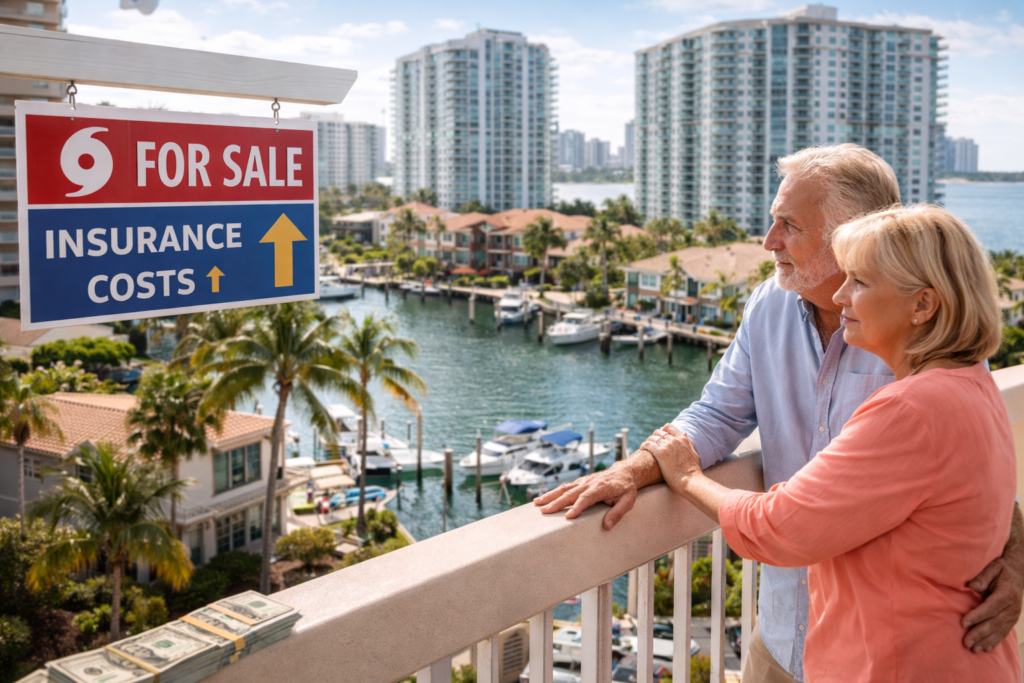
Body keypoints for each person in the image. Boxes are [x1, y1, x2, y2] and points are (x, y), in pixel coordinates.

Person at [534, 144, 1024, 682]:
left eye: (789, 225)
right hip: (783, 634)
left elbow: (966, 463)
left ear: (851, 233)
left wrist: (1017, 551)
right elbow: (717, 414)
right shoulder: (769, 305)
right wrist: (635, 469)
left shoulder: (923, 351)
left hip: (884, 652)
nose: (769, 241)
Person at [641, 205, 1021, 681]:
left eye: (859, 282)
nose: (841, 295)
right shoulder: (972, 386)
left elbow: (779, 527)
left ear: (923, 305)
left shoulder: (910, 409)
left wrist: (686, 477)